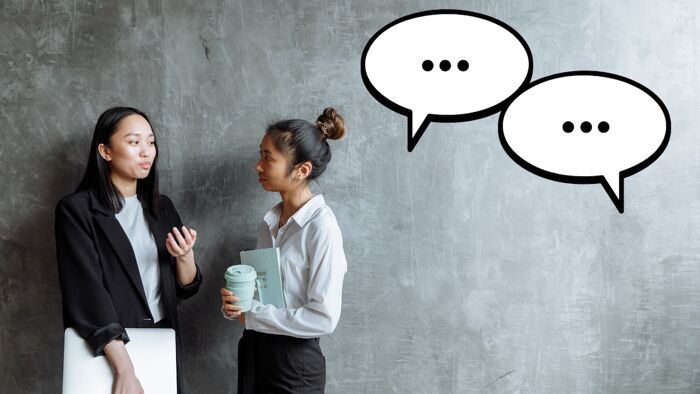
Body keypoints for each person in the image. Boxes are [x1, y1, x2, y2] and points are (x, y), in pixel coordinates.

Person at [55, 107, 202, 393]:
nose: (146, 152)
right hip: (112, 349)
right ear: (105, 151)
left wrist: (185, 256)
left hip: (162, 340)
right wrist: (125, 369)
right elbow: (86, 293)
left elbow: (185, 287)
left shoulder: (163, 208)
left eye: (151, 142)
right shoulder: (76, 210)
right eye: (134, 142)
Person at [220, 107, 348, 393]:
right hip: (256, 354)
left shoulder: (322, 228)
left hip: (295, 367)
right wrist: (236, 303)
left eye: (268, 158)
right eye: (260, 154)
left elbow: (324, 317)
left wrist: (252, 316)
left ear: (302, 170)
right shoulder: (270, 222)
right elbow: (262, 296)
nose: (258, 165)